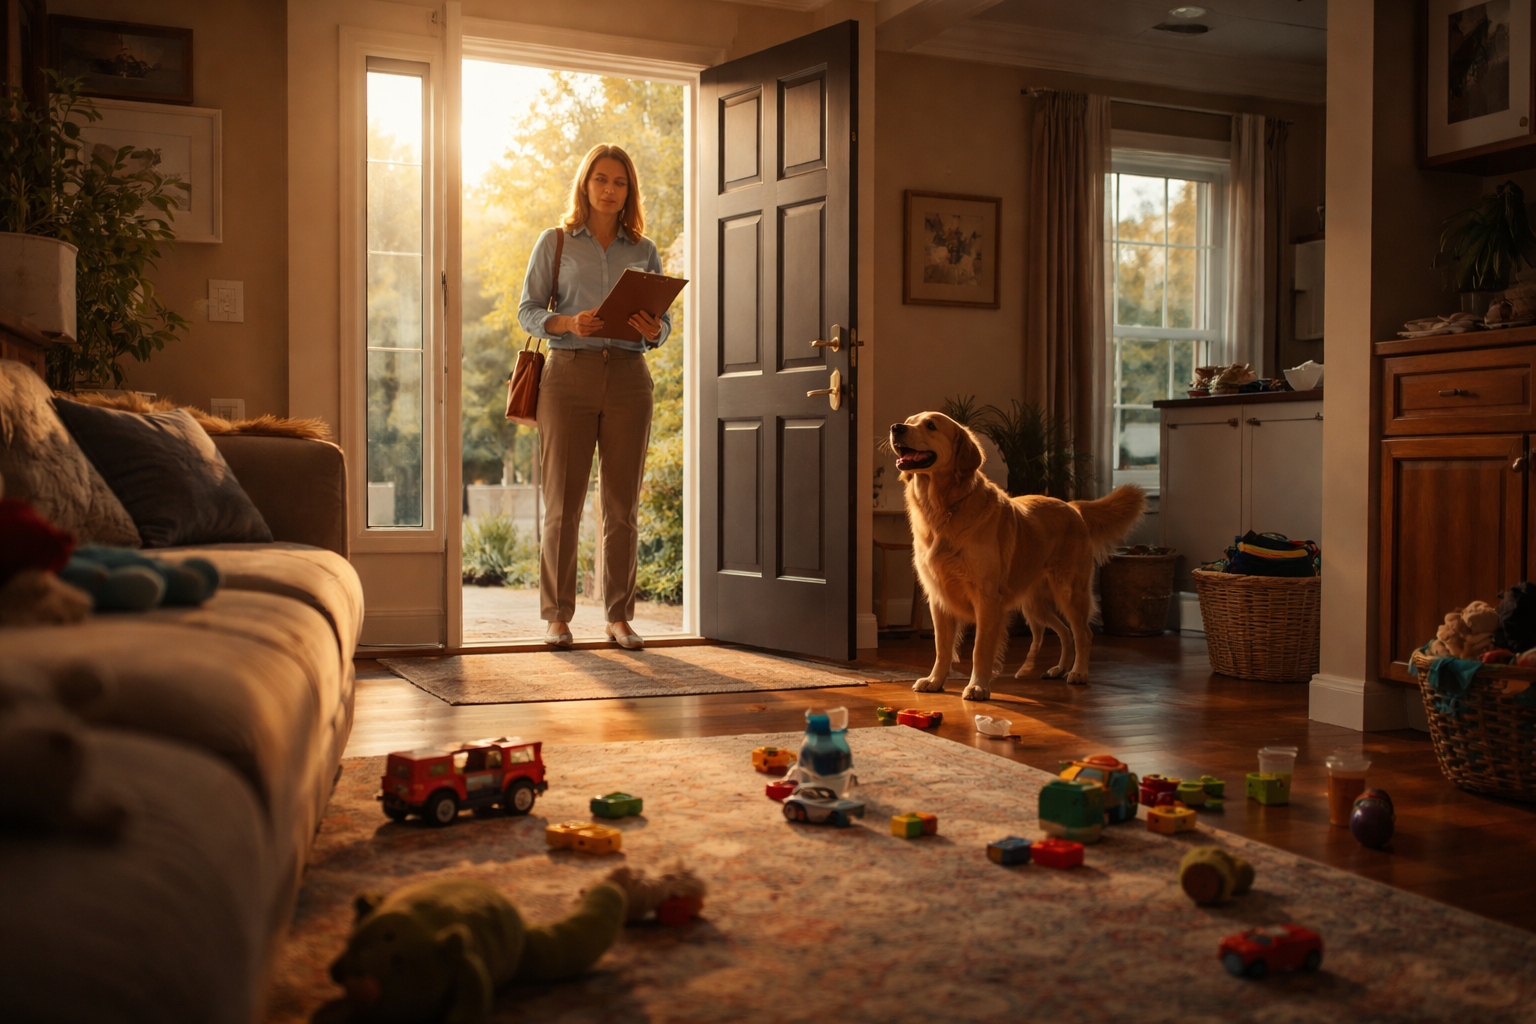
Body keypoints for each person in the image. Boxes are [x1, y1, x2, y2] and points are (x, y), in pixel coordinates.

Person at [518, 143, 672, 650]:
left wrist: (655, 329)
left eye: (620, 183)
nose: (610, 190)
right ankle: (557, 616)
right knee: (562, 504)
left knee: (622, 506)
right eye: (601, 180)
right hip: (568, 375)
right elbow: (527, 311)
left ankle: (619, 616)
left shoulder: (642, 249)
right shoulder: (556, 241)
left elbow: (662, 322)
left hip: (631, 376)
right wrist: (567, 322)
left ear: (630, 192)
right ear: (585, 184)